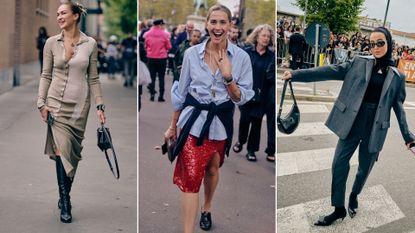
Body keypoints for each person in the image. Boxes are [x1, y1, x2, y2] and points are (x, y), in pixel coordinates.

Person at [282, 27, 415, 226]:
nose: (376, 47)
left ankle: (354, 195)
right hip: (352, 122)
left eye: (380, 43)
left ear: (389, 44)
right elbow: (330, 70)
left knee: (364, 169)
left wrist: (409, 138)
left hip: (376, 128)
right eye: (372, 44)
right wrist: (295, 74)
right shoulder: (360, 62)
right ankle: (338, 208)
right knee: (338, 164)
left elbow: (399, 109)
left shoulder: (397, 77)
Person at [163, 4, 254, 232]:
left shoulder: (241, 58)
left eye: (223, 22)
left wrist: (228, 76)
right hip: (192, 123)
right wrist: (172, 127)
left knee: (212, 170)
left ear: (230, 26)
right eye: (213, 22)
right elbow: (181, 94)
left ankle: (207, 206)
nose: (217, 27)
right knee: (191, 178)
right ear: (207, 24)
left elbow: (241, 98)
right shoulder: (191, 54)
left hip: (220, 124)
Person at [37, 1, 106, 224]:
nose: (59, 17)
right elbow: (45, 75)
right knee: (60, 151)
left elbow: (93, 77)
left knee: (73, 154)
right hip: (55, 104)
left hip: (79, 107)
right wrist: (41, 102)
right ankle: (66, 202)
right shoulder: (50, 43)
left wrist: (99, 105)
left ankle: (64, 194)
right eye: (57, 13)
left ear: (75, 16)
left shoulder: (90, 43)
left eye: (63, 13)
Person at [233, 24, 275, 162]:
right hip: (246, 93)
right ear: (257, 36)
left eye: (268, 37)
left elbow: (272, 78)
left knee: (256, 124)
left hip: (262, 95)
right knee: (244, 119)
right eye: (263, 35)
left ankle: (251, 150)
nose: (266, 39)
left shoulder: (271, 57)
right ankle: (240, 141)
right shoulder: (247, 52)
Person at [144, 18, 172, 102]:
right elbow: (169, 47)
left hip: (151, 57)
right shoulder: (165, 34)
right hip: (161, 58)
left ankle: (152, 95)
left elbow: (145, 45)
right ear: (160, 25)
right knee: (161, 77)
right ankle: (161, 96)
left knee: (152, 77)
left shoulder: (147, 34)